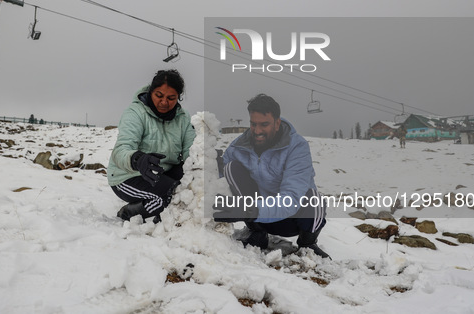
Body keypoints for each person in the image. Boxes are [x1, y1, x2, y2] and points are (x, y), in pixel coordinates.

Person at [213, 94, 330, 258]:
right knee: (230, 168)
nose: (257, 131)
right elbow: (220, 180)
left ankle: (308, 244)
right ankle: (258, 234)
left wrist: (251, 211)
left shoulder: (297, 147)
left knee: (314, 199)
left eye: (264, 124)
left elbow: (291, 198)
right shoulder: (239, 146)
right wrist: (210, 164)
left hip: (291, 220)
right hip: (257, 218)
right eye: (253, 124)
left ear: (277, 123)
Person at [107, 69, 196, 223]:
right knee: (170, 196)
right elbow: (121, 149)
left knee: (191, 190)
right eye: (159, 96)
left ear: (178, 97)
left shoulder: (183, 118)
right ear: (151, 92)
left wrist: (204, 163)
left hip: (160, 174)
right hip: (127, 176)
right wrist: (137, 159)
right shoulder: (135, 113)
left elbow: (192, 150)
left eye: (171, 98)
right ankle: (129, 213)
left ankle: (165, 215)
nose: (164, 102)